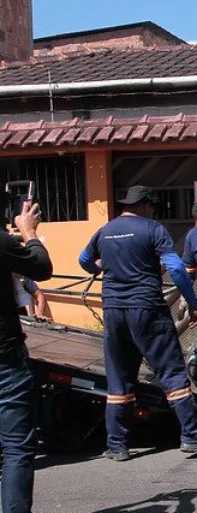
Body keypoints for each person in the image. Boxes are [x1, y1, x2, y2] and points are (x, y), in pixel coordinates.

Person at [79, 186, 197, 460]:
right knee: (172, 373)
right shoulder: (152, 228)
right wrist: (192, 305)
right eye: (152, 207)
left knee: (119, 378)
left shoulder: (105, 231)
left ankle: (117, 446)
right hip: (147, 309)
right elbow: (175, 268)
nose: (153, 211)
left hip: (114, 311)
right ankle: (193, 437)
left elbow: (84, 260)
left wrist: (104, 267)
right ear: (145, 205)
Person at [0, 200, 53, 513]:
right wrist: (30, 231)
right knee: (17, 449)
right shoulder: (3, 243)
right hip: (5, 359)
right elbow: (41, 267)